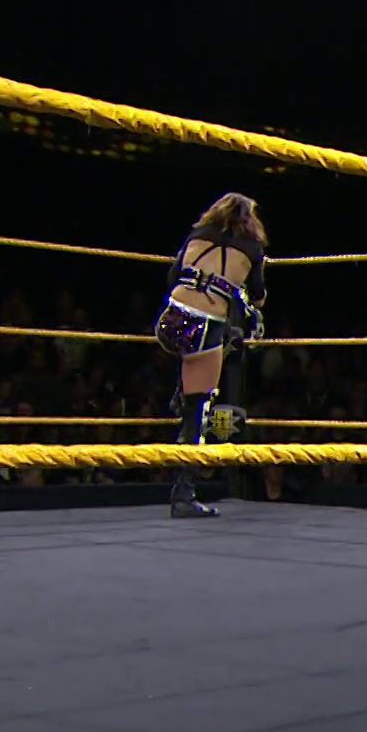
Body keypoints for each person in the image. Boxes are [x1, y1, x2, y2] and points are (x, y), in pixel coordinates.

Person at [153, 192, 267, 518]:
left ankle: (182, 391)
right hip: (204, 327)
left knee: (215, 346)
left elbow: (173, 277)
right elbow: (257, 295)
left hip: (170, 319)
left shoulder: (197, 235)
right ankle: (183, 495)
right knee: (198, 412)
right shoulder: (252, 248)